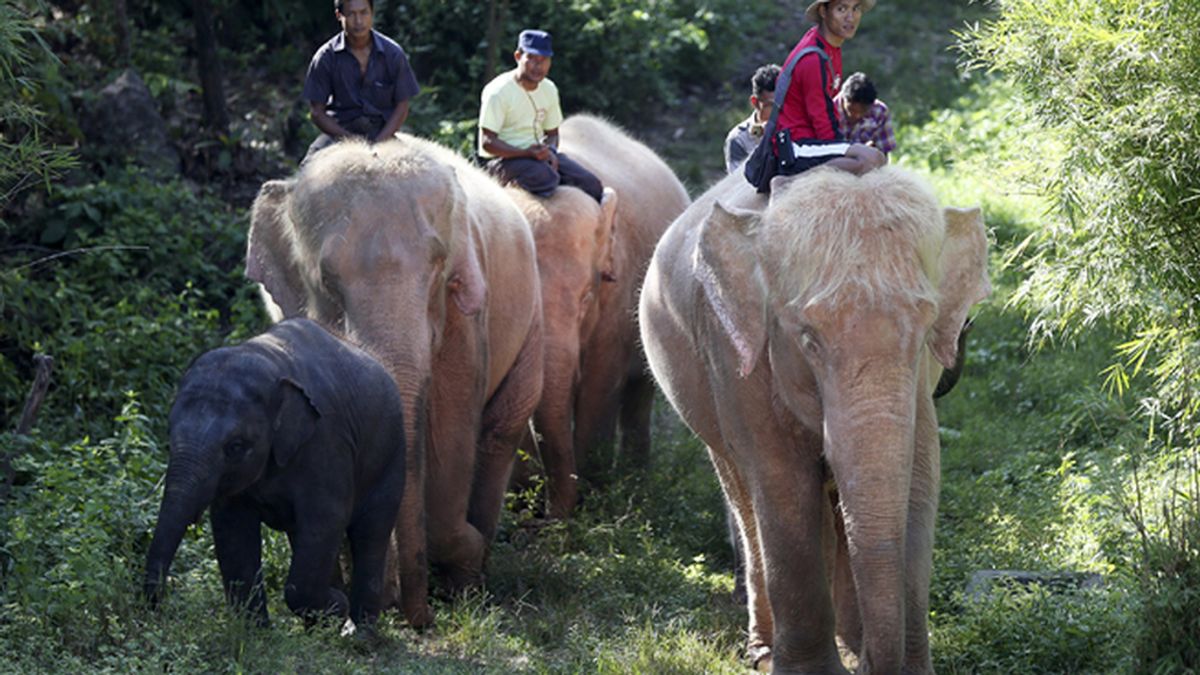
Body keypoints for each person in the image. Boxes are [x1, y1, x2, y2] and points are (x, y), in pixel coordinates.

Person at [478, 29, 604, 203]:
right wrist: (525, 153)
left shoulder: (549, 89)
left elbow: (552, 133)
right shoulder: (498, 91)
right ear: (518, 56)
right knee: (546, 178)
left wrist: (550, 151)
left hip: (538, 157)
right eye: (532, 58)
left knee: (591, 184)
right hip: (503, 161)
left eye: (544, 60)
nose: (539, 66)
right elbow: (487, 143)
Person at [772, 0, 885, 176]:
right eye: (841, 9)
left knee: (869, 155)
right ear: (824, 11)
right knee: (871, 159)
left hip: (811, 140)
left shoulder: (828, 45)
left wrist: (848, 148)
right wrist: (846, 149)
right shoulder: (813, 59)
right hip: (795, 145)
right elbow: (821, 118)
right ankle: (789, 182)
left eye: (855, 9)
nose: (850, 17)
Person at [301, 0, 420, 160]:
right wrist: (351, 141)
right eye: (351, 14)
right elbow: (317, 112)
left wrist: (379, 143)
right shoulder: (326, 57)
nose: (358, 21)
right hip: (340, 133)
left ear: (372, 13)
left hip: (382, 132)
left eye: (364, 13)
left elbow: (402, 106)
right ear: (339, 15)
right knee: (307, 172)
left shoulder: (393, 54)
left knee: (416, 171)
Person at [724, 64, 781, 175]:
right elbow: (736, 184)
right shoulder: (739, 139)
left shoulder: (795, 127)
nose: (779, 112)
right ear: (755, 102)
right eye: (771, 106)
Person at [835, 71, 896, 154]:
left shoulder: (880, 112)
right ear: (844, 99)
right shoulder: (828, 110)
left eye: (863, 111)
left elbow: (884, 152)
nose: (857, 115)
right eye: (851, 110)